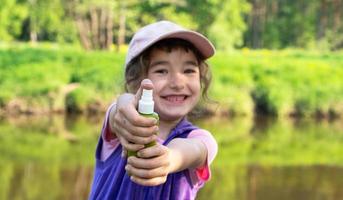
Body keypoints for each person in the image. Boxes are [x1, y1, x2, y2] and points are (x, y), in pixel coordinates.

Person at [89, 20, 218, 200]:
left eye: (188, 70)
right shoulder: (122, 126)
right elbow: (121, 108)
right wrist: (124, 107)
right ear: (134, 80)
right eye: (162, 71)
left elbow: (193, 151)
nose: (177, 83)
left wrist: (170, 158)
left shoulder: (200, 139)